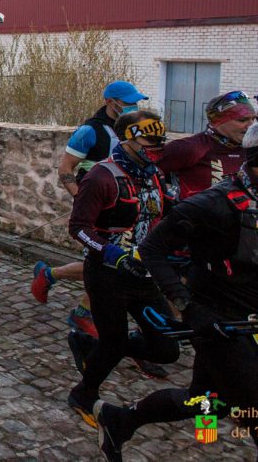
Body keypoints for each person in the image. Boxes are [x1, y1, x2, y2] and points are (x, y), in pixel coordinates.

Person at [96, 119, 258, 462]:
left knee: (207, 401)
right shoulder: (212, 206)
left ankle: (120, 418)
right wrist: (187, 306)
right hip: (221, 329)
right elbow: (153, 249)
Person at [65, 110, 180, 428]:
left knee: (167, 347)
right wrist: (111, 252)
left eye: (161, 139)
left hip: (145, 274)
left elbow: (165, 212)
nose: (156, 146)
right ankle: (84, 394)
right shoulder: (102, 176)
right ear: (128, 140)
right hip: (108, 276)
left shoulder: (154, 173)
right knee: (113, 342)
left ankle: (92, 345)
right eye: (149, 140)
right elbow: (78, 228)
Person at [34, 81, 147, 335]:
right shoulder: (90, 131)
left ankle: (52, 278)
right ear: (111, 102)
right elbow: (66, 168)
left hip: (125, 207)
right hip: (98, 211)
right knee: (106, 263)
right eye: (128, 102)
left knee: (107, 263)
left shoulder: (133, 130)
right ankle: (80, 311)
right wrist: (80, 198)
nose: (134, 106)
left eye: (136, 101)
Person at [157, 90, 254, 200]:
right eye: (242, 120)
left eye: (253, 119)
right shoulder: (191, 147)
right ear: (218, 121)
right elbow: (146, 171)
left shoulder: (252, 150)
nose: (251, 126)